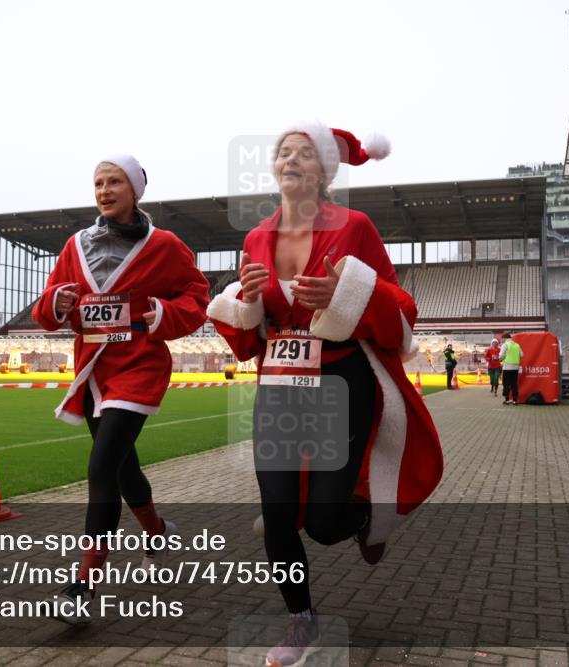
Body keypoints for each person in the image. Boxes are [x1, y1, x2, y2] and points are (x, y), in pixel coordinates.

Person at [207, 122, 443, 667]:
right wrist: (246, 301)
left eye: (304, 154)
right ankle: (301, 619)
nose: (291, 159)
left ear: (323, 172)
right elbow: (249, 327)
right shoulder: (256, 238)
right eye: (283, 152)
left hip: (342, 383)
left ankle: (366, 524)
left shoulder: (355, 227)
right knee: (276, 510)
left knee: (324, 522)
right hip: (278, 388)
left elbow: (400, 306)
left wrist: (346, 293)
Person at [32, 154, 210, 622]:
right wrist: (57, 301)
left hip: (139, 366)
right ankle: (157, 533)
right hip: (93, 371)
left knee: (101, 467)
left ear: (135, 190)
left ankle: (83, 586)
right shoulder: (75, 245)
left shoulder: (164, 245)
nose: (104, 191)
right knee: (123, 467)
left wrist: (164, 314)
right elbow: (46, 308)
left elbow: (196, 294)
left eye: (114, 182)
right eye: (98, 183)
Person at [500, 333, 523, 405]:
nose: (502, 340)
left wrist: (502, 359)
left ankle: (507, 399)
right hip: (515, 367)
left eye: (502, 339)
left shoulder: (505, 345)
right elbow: (522, 355)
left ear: (505, 338)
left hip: (507, 367)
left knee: (506, 383)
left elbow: (501, 356)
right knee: (514, 384)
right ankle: (515, 400)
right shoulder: (517, 345)